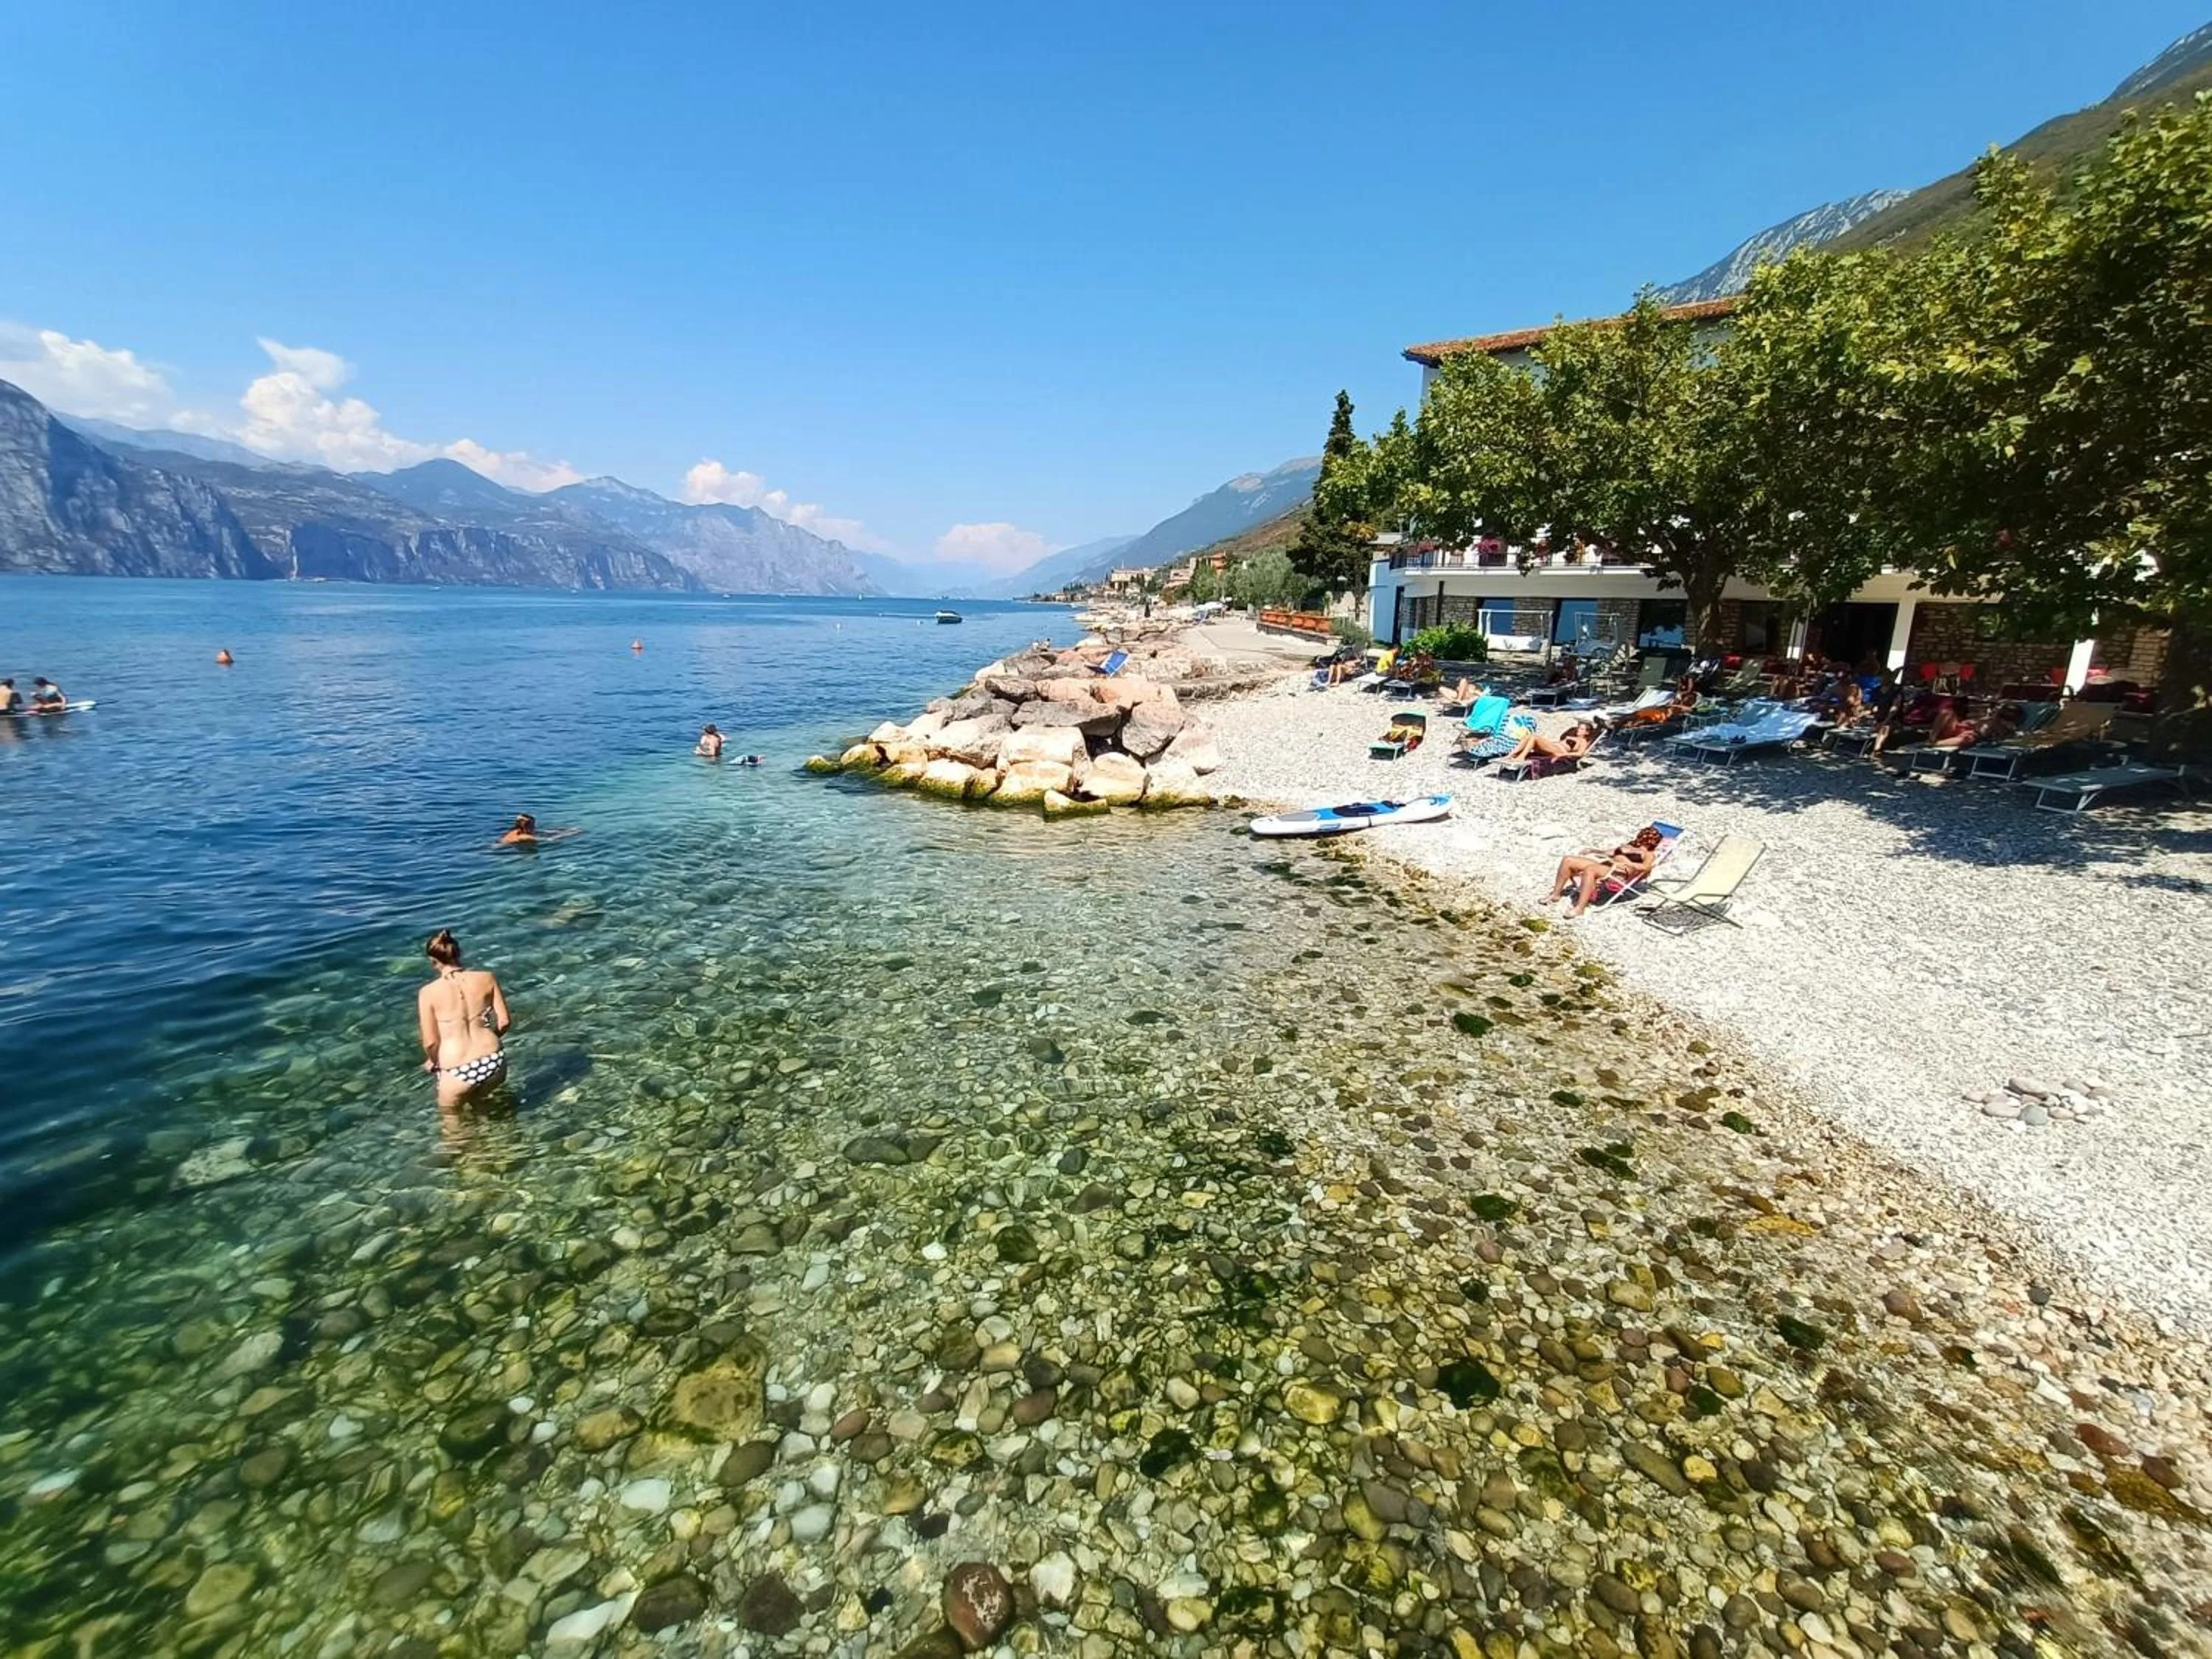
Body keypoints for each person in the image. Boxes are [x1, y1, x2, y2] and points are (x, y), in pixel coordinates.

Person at [416, 930, 510, 1110]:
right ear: (458, 953)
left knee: (454, 1127)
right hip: (493, 1059)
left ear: (433, 961)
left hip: (457, 1067)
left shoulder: (427, 993)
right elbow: (505, 1021)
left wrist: (434, 1062)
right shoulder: (487, 978)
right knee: (484, 1108)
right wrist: (492, 1037)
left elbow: (430, 1042)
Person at [1548, 824, 1664, 917]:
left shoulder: (1649, 854)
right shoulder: (1629, 846)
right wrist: (1593, 851)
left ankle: (1580, 908)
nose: (1643, 837)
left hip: (1619, 873)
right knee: (1568, 860)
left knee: (1591, 869)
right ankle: (1555, 894)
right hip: (1607, 865)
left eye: (1647, 836)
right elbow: (1608, 853)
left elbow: (1646, 868)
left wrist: (1628, 863)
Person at [1498, 721, 1595, 766]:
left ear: (1587, 732)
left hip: (1559, 750)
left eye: (1582, 729)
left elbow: (1580, 754)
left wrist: (1562, 754)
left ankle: (1521, 757)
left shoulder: (1583, 741)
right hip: (1553, 746)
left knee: (1535, 737)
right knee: (1529, 736)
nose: (1578, 730)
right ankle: (1511, 755)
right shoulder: (1573, 735)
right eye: (1579, 728)